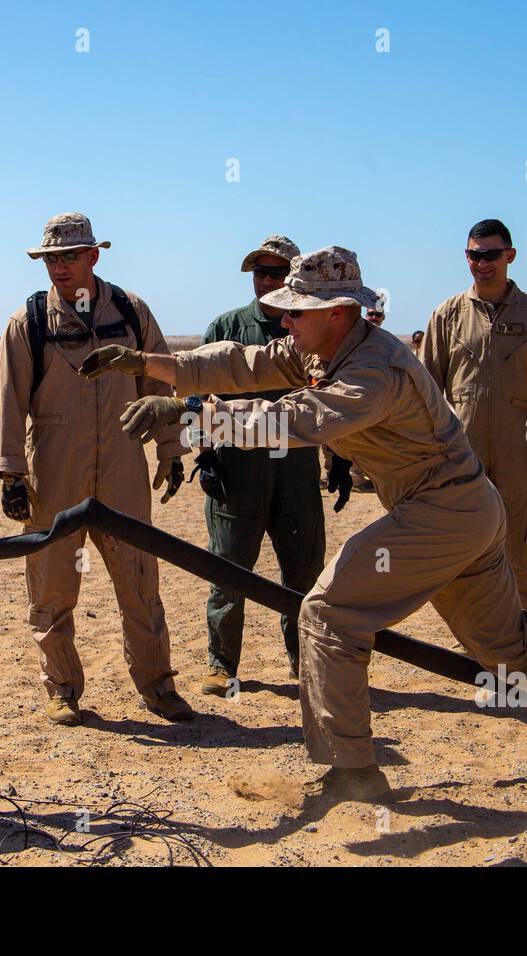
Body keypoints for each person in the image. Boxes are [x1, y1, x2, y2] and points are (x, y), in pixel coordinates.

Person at [81, 245, 527, 802]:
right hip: (460, 511)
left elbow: (292, 424)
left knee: (329, 614)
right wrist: (144, 364)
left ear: (337, 312)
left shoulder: (371, 369)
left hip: (442, 511)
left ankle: (352, 771)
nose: (284, 320)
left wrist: (189, 418)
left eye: (296, 311)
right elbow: (241, 365)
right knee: (512, 651)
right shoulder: (322, 345)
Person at [0, 212, 194, 726]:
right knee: (52, 589)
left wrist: (170, 448)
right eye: (51, 258)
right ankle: (61, 691)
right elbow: (6, 402)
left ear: (93, 256)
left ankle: (158, 688)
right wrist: (12, 473)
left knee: (140, 585)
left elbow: (160, 379)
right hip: (54, 475)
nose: (58, 267)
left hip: (124, 472)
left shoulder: (130, 311)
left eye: (69, 257)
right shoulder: (28, 322)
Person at [420, 219, 527, 612]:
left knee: (522, 547)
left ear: (510, 256)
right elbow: (425, 390)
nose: (482, 263)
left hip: (522, 454)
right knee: (465, 550)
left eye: (490, 255)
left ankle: (525, 637)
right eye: (474, 255)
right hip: (462, 455)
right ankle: (478, 643)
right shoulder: (447, 316)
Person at [194, 235, 325, 694]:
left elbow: (336, 400)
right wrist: (204, 452)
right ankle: (221, 665)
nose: (267, 280)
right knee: (228, 570)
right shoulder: (225, 326)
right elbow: (196, 392)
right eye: (260, 272)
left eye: (277, 273)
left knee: (303, 574)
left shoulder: (313, 329)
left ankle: (305, 664)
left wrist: (342, 462)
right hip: (238, 471)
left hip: (297, 470)